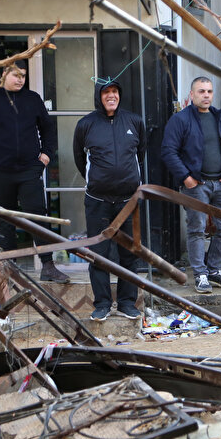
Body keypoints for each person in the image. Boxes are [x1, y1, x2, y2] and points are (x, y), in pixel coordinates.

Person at [0, 60, 69, 284]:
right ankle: (9, 268)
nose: (20, 79)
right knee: (5, 219)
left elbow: (48, 128)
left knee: (37, 215)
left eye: (23, 75)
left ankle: (48, 265)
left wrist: (46, 154)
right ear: (3, 74)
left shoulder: (32, 99)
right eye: (16, 74)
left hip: (29, 169)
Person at [72, 80, 147, 321]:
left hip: (128, 201)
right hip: (98, 201)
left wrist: (127, 179)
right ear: (99, 96)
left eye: (115, 91)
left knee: (129, 253)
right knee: (99, 254)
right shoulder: (86, 124)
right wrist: (98, 180)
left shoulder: (134, 121)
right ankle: (102, 304)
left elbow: (140, 154)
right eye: (106, 93)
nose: (111, 96)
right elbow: (79, 159)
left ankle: (127, 303)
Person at [162, 77, 221, 294]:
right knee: (196, 229)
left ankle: (213, 270)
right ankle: (200, 275)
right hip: (197, 185)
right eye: (201, 91)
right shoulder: (180, 120)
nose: (206, 95)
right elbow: (168, 151)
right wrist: (185, 177)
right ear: (192, 95)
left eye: (209, 91)